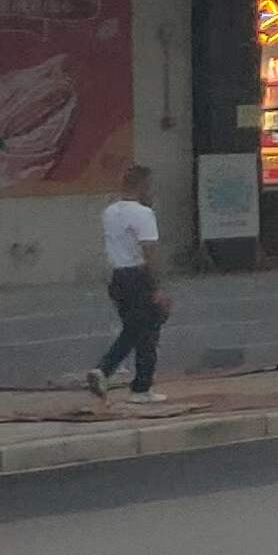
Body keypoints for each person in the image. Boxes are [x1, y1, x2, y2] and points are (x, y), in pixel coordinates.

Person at [88, 164, 169, 404]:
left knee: (135, 328)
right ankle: (127, 380)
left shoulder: (110, 212)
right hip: (138, 275)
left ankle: (119, 376)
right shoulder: (143, 214)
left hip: (118, 276)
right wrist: (157, 286)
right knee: (147, 330)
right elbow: (149, 250)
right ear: (143, 186)